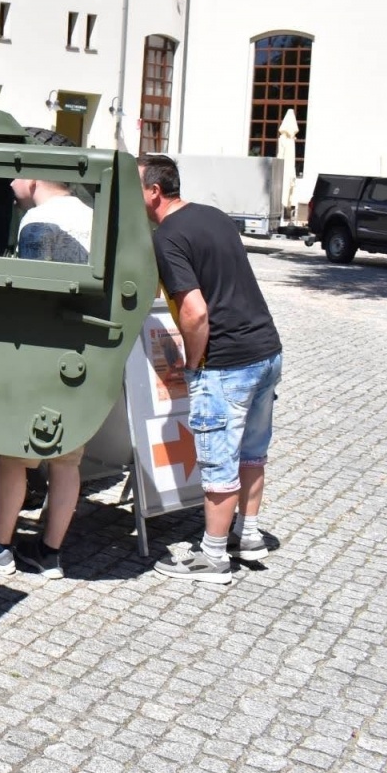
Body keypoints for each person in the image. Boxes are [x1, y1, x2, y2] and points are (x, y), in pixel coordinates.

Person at [138, 153, 282, 585]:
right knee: (252, 452)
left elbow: (196, 312)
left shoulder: (167, 238)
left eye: (135, 186)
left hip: (227, 362)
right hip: (266, 350)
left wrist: (195, 361)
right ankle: (249, 534)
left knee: (219, 460)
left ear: (155, 192)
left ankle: (214, 557)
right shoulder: (213, 216)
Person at [0, 175, 95, 579]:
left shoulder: (37, 221)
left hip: (39, 355)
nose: (9, 185)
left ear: (33, 179)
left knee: (12, 457)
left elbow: (32, 295)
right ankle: (49, 554)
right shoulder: (93, 217)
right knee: (67, 462)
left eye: (15, 176)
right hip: (79, 354)